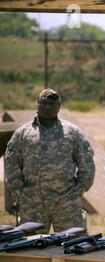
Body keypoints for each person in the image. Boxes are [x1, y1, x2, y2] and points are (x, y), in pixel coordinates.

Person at [5, 88, 95, 233]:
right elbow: (11, 163)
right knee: (31, 249)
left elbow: (87, 163)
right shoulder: (23, 133)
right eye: (44, 103)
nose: (48, 107)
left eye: (52, 103)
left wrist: (78, 191)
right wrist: (20, 191)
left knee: (73, 247)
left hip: (66, 203)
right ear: (37, 105)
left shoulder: (72, 132)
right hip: (33, 204)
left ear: (59, 106)